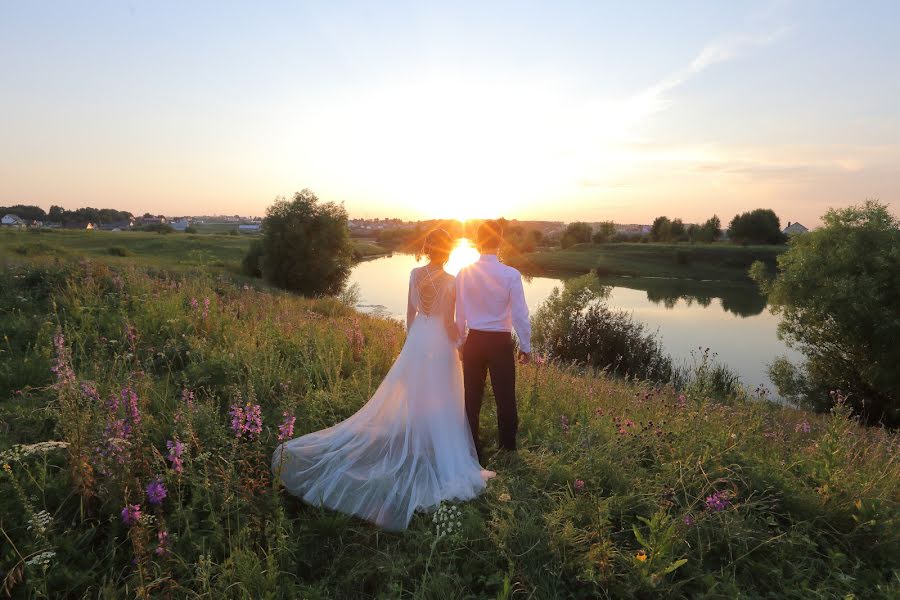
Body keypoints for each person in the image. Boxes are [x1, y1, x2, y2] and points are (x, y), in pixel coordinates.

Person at [272, 229, 494, 530]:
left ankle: (418, 441)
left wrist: (413, 345)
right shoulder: (451, 282)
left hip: (417, 340)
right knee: (442, 396)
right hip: (439, 342)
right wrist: (461, 344)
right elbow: (449, 323)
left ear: (428, 248)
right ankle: (432, 445)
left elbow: (410, 314)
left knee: (416, 391)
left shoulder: (415, 274)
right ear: (449, 251)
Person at [456, 220, 531, 461]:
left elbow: (460, 312)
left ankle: (470, 446)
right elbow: (520, 313)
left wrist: (460, 341)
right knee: (505, 396)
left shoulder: (464, 273)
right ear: (499, 242)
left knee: (471, 396)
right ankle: (507, 448)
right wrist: (526, 346)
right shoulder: (511, 275)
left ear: (478, 243)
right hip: (500, 342)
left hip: (475, 340)